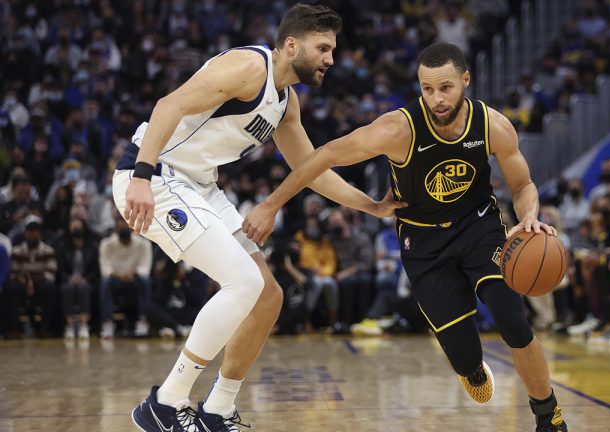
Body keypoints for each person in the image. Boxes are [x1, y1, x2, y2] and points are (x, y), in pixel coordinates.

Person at [245, 43, 568, 432]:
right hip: (424, 243)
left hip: (479, 228)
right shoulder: (398, 128)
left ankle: (548, 416)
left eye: (446, 88)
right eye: (427, 89)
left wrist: (529, 216)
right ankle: (471, 369)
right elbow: (324, 156)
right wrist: (272, 204)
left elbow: (523, 184)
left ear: (466, 80)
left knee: (512, 320)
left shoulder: (492, 125)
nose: (436, 98)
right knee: (466, 359)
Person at [115, 4, 402, 432]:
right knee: (243, 282)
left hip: (200, 186)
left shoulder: (286, 104)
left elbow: (311, 169)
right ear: (291, 45)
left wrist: (372, 206)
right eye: (323, 48)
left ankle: (217, 409)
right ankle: (165, 401)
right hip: (157, 175)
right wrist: (142, 174)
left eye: (332, 50)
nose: (330, 59)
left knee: (267, 296)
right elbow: (168, 105)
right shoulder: (250, 66)